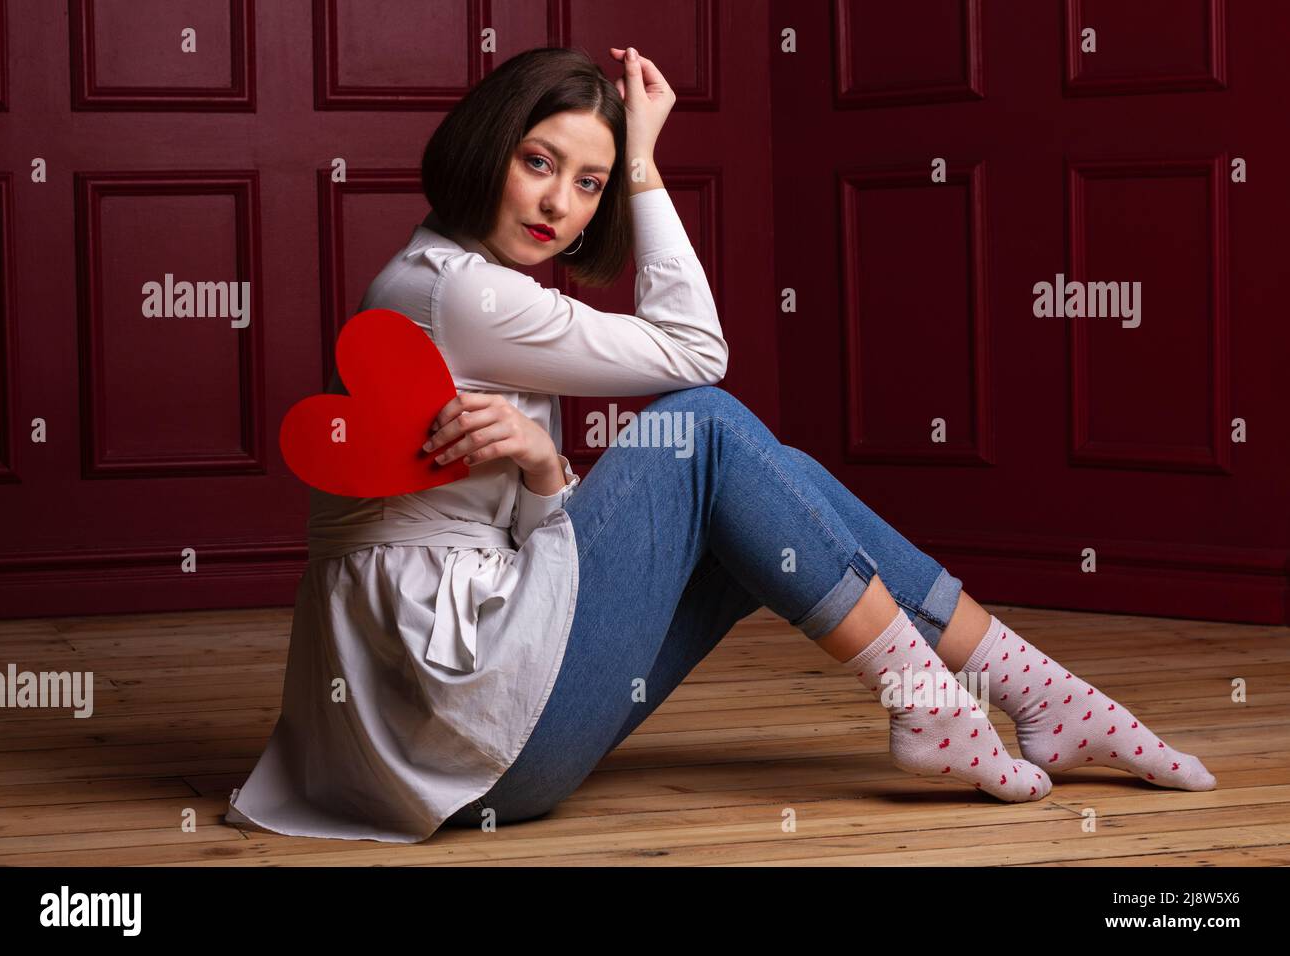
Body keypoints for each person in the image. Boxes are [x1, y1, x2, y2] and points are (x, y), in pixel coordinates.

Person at [225, 45, 1214, 844]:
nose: (559, 205)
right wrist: (649, 164)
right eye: (539, 162)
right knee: (704, 425)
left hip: (476, 747)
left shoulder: (430, 279)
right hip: (480, 740)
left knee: (778, 490)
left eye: (592, 182)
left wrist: (538, 463)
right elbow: (698, 353)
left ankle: (1032, 692)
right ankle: (949, 700)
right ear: (488, 146)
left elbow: (497, 534)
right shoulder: (464, 292)